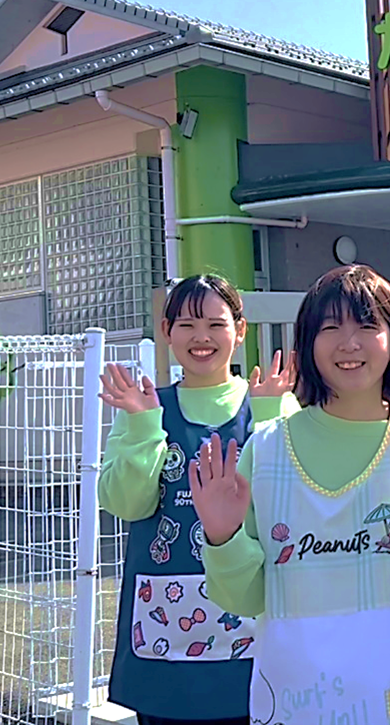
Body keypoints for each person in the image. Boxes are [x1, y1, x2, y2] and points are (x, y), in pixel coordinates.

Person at [190, 264, 390, 725]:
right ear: (307, 343)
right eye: (330, 328)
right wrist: (222, 537)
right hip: (301, 706)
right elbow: (246, 599)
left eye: (367, 326)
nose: (349, 343)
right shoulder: (267, 448)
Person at [99, 274, 300, 725]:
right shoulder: (145, 407)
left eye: (215, 324)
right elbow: (127, 505)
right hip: (164, 626)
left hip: (253, 620)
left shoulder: (272, 401)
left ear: (240, 330)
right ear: (166, 331)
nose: (201, 337)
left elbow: (288, 502)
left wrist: (269, 414)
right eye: (187, 325)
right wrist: (144, 426)